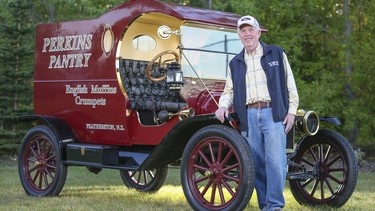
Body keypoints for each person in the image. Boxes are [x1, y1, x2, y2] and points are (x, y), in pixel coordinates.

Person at [215, 15, 299, 211]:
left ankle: (275, 206)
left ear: (258, 32)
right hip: (249, 117)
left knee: (276, 164)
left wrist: (292, 112)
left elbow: (290, 85)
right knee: (257, 166)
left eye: (250, 29)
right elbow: (229, 91)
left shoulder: (276, 54)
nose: (247, 34)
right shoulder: (235, 62)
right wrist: (223, 105)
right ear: (238, 35)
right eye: (243, 30)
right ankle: (265, 206)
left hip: (273, 114)